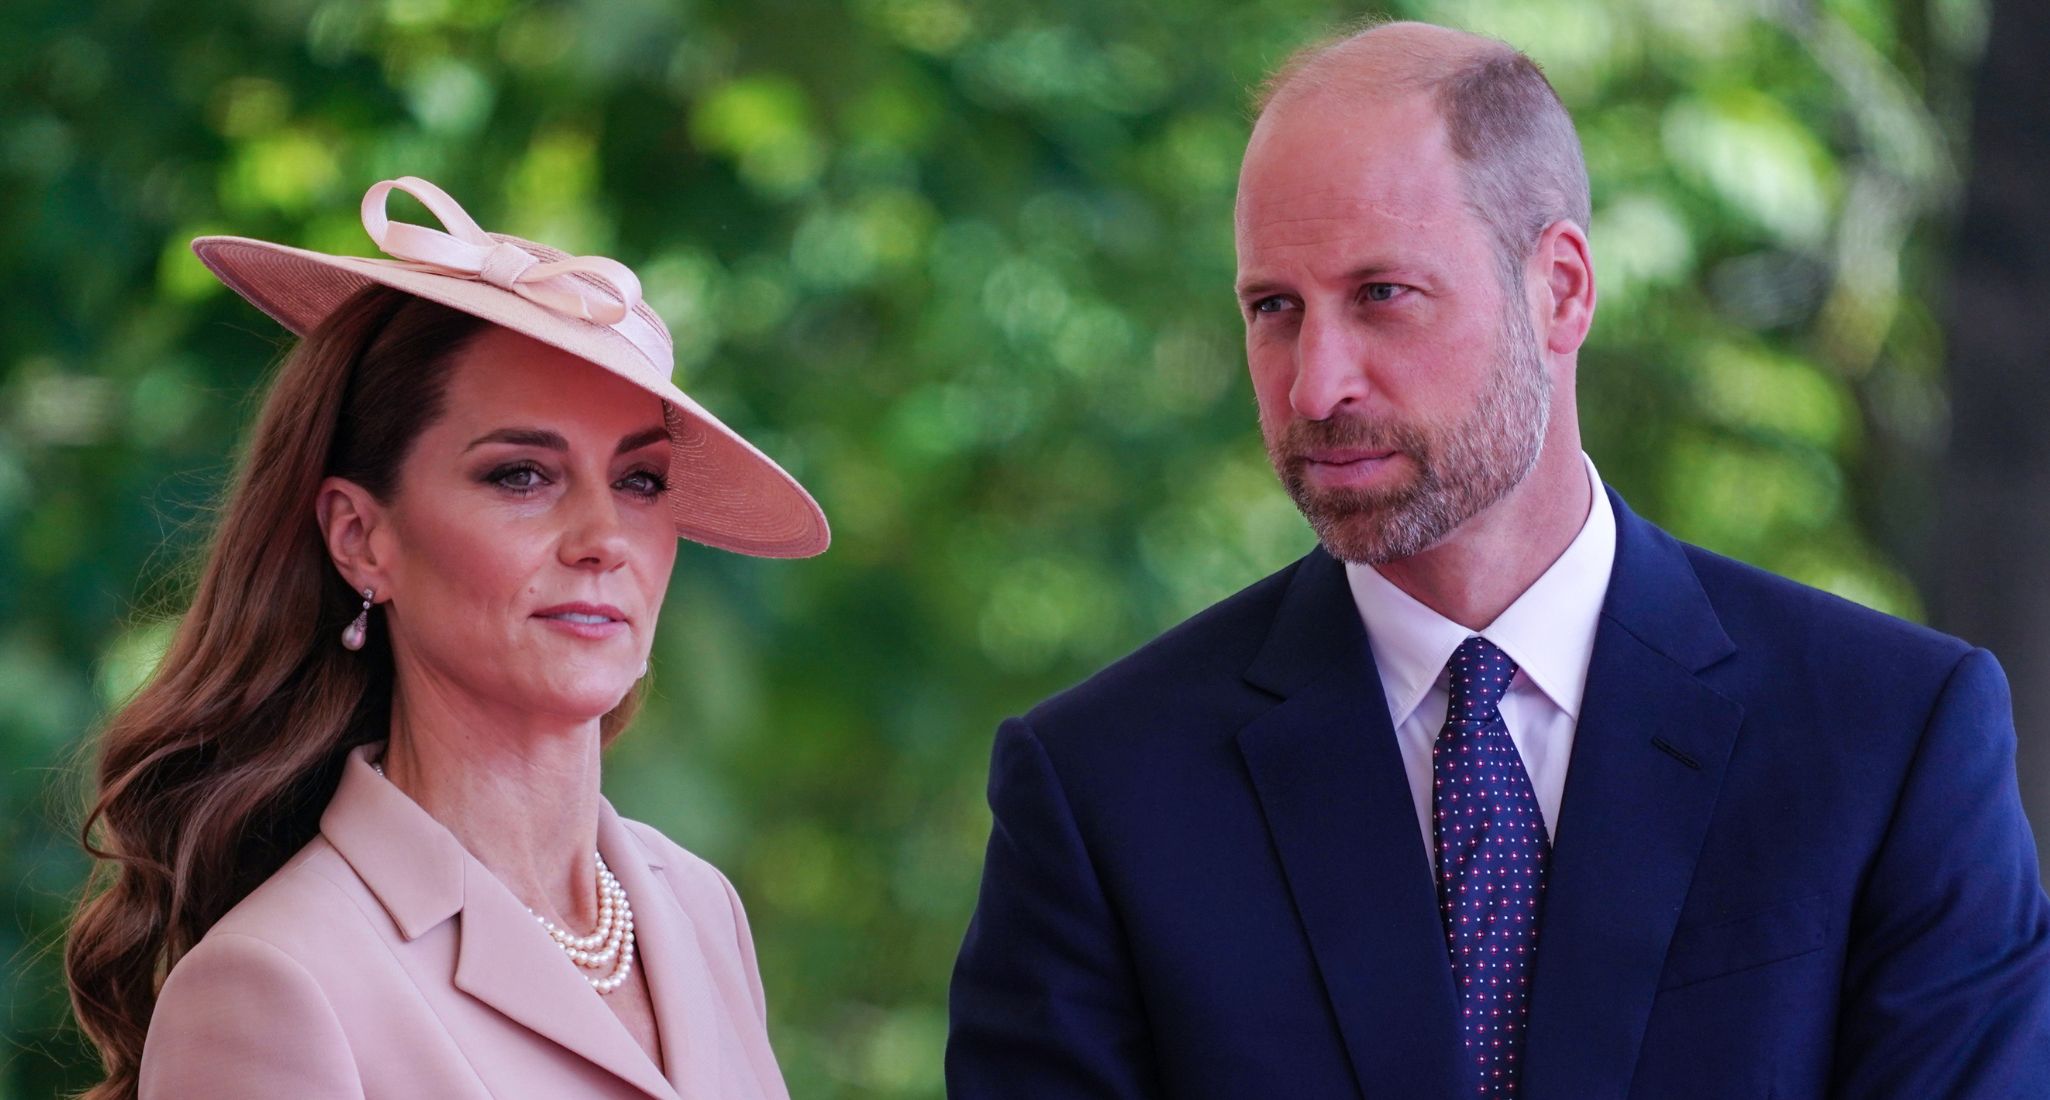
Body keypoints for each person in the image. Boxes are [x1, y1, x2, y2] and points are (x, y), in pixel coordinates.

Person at [947, 20, 2050, 1099]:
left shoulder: (1886, 736)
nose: (1315, 383)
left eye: (1382, 294)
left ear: (1561, 289)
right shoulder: (1102, 790)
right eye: (1274, 307)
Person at [65, 176, 828, 1100]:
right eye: (522, 475)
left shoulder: (701, 909)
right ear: (360, 538)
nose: (605, 540)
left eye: (639, 482)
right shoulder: (276, 981)